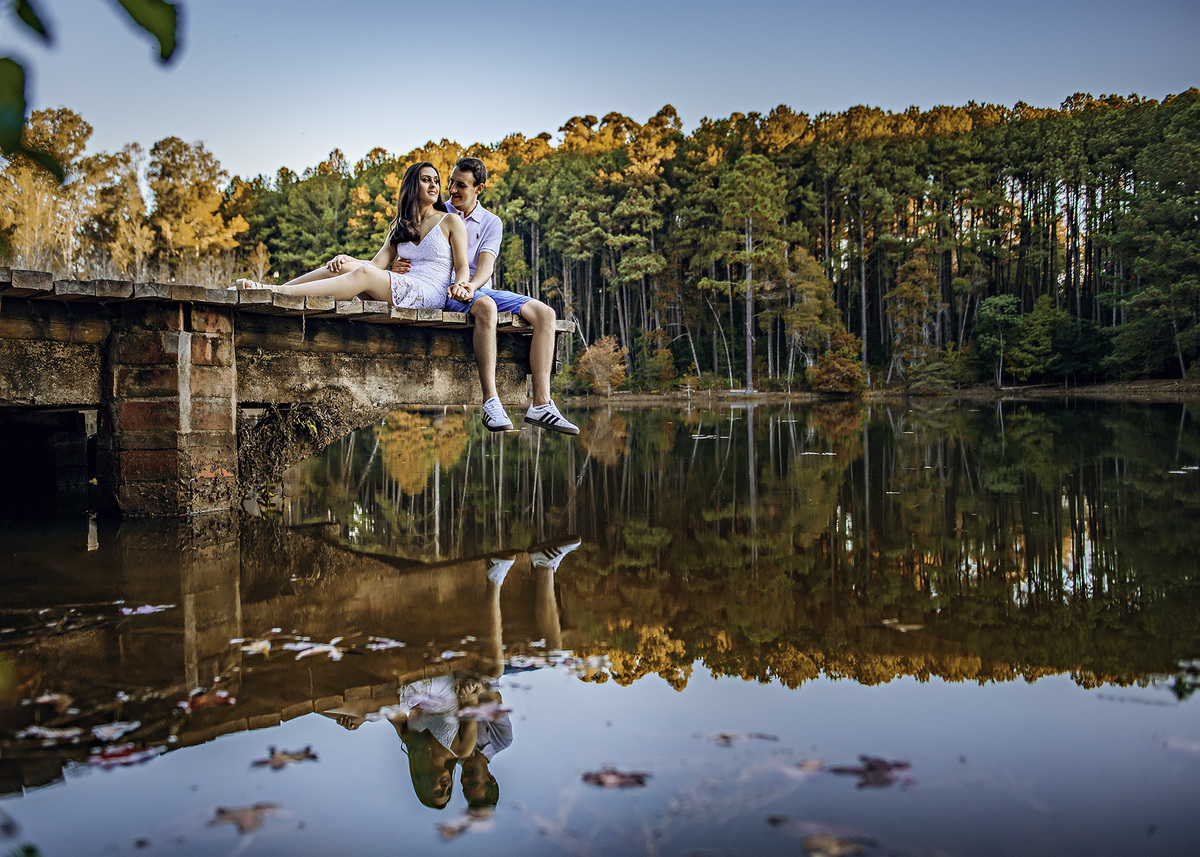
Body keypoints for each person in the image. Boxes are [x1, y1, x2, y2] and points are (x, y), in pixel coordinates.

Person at [393, 157, 578, 436]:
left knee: (545, 314)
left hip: (476, 286)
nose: (452, 189)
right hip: (445, 288)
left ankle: (541, 404)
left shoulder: (492, 223)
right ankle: (491, 402)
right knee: (486, 306)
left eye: (461, 186)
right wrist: (398, 264)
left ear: (479, 188)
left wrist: (469, 284)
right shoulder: (438, 212)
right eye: (451, 182)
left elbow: (487, 264)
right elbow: (407, 245)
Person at [234, 162, 470, 309]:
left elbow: (461, 267)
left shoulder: (450, 220)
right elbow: (376, 265)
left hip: (429, 293)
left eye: (436, 181)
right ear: (412, 186)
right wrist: (347, 259)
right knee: (343, 266)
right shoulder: (401, 226)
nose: (434, 185)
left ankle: (276, 294)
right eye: (426, 180)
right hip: (402, 286)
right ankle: (269, 289)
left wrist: (461, 285)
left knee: (362, 272)